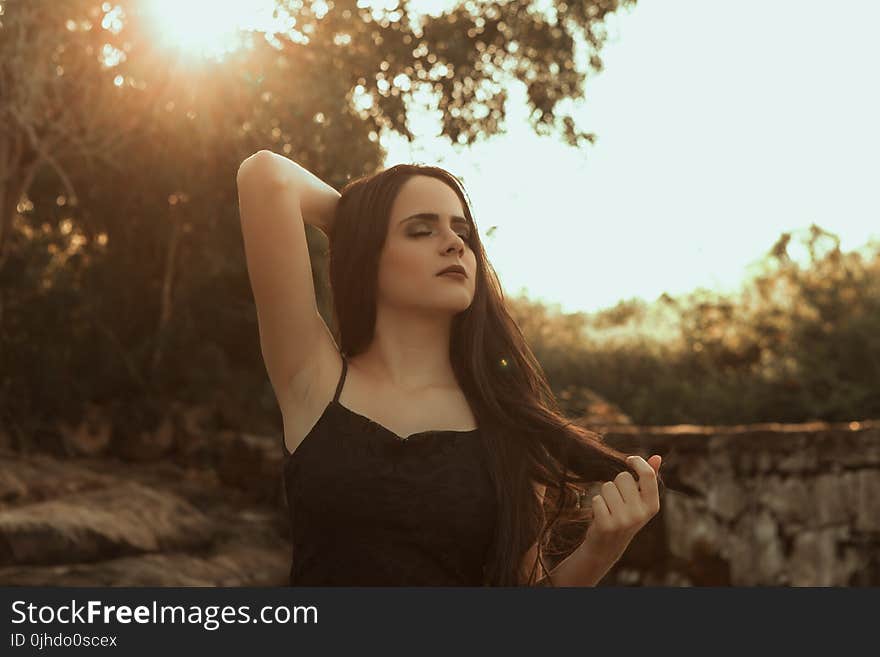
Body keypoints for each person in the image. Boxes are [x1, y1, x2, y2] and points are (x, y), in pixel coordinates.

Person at [235, 150, 665, 586]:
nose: (454, 242)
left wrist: (600, 550)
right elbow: (267, 176)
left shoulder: (507, 423)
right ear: (369, 255)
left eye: (463, 233)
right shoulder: (315, 381)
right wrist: (358, 224)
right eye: (420, 230)